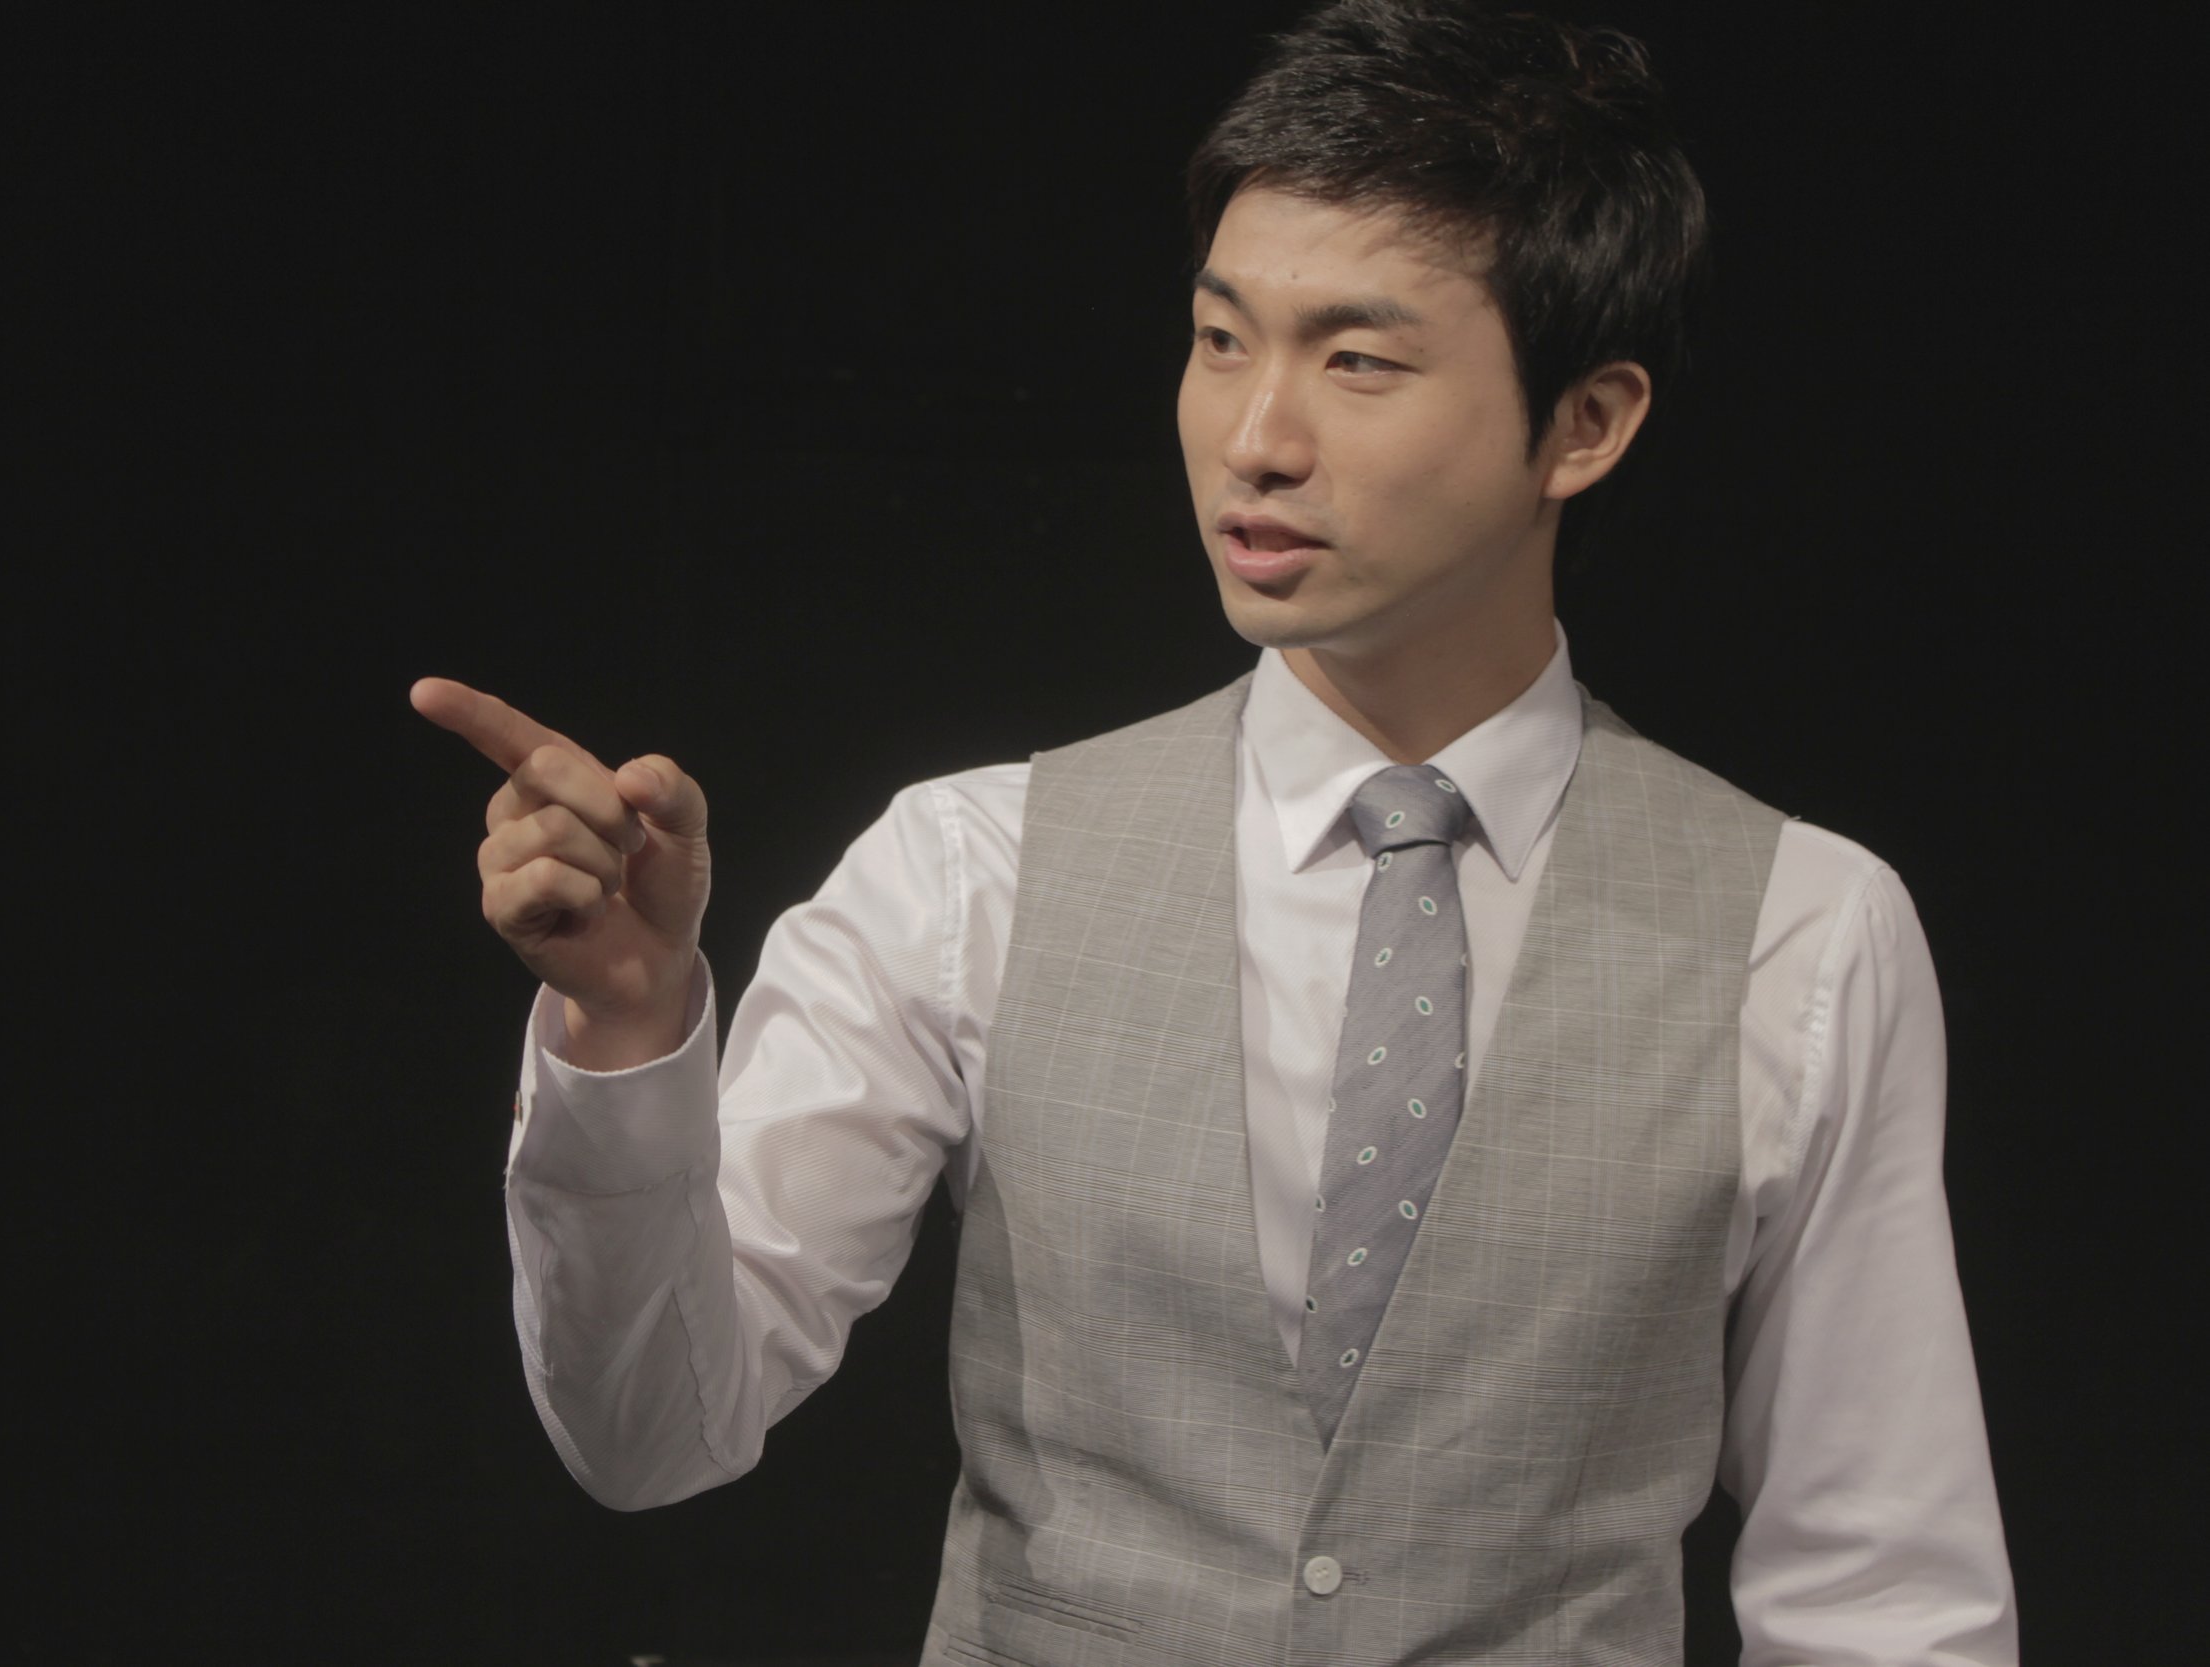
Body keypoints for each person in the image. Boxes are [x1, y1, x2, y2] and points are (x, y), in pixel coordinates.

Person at [411, 2, 2017, 1659]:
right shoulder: (974, 870)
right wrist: (626, 1033)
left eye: (1359, 358)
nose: (1257, 436)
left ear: (1586, 424)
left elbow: (1882, 1590)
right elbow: (651, 1430)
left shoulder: (1802, 930)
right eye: (1222, 338)